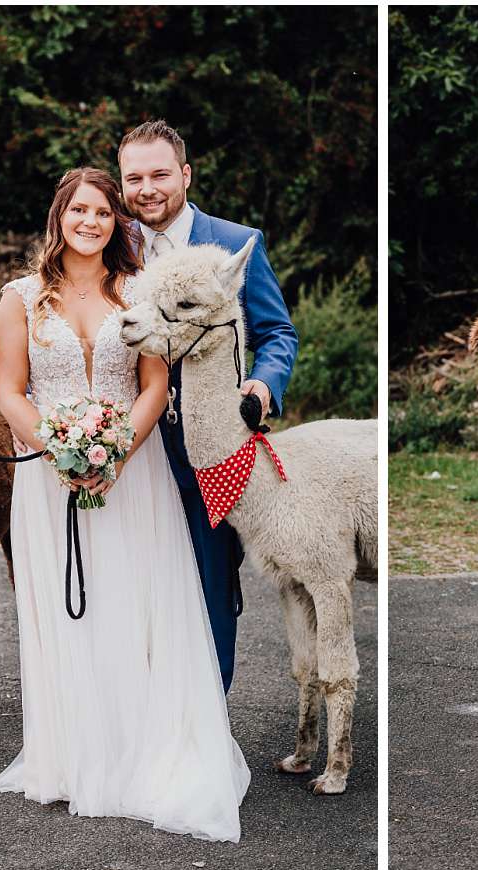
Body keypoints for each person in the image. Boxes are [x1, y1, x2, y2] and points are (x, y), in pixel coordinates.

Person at [0, 167, 250, 840]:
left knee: (136, 603)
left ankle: (143, 748)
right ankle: (76, 754)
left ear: (116, 224)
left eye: (103, 213)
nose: (90, 222)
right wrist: (56, 449)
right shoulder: (20, 298)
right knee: (70, 612)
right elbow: (9, 390)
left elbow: (154, 384)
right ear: (60, 216)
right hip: (47, 479)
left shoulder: (137, 291)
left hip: (132, 475)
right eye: (79, 210)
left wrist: (110, 455)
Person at [117, 120, 298, 693]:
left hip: (214, 442)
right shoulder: (106, 241)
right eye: (134, 177)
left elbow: (277, 333)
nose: (147, 188)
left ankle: (208, 722)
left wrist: (264, 385)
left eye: (160, 174)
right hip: (130, 443)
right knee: (134, 577)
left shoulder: (236, 240)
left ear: (186, 174)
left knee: (212, 579)